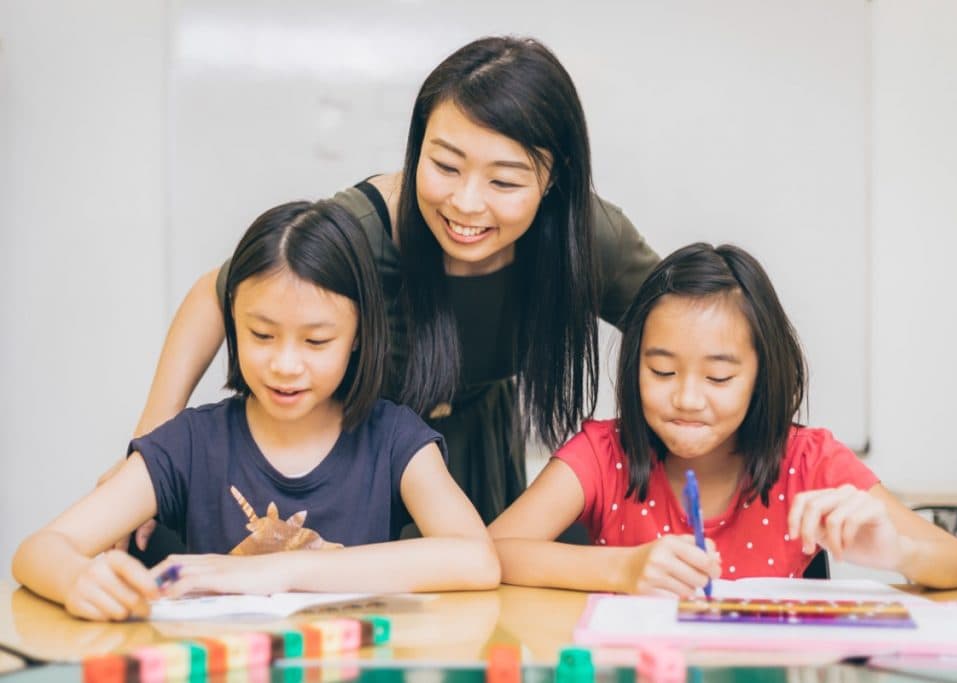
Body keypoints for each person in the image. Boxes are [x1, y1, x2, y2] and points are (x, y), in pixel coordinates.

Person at [126, 36, 660, 534]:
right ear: (417, 145)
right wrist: (147, 448)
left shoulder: (586, 238)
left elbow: (685, 321)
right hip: (362, 457)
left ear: (554, 176)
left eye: (503, 181)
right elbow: (213, 297)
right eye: (445, 166)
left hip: (478, 450)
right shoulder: (361, 230)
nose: (467, 203)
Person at [12, 201, 499, 622]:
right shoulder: (191, 443)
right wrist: (78, 578)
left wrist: (276, 570)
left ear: (358, 337)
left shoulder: (393, 439)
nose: (285, 365)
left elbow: (476, 560)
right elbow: (39, 550)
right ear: (231, 322)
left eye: (316, 340)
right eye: (261, 335)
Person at [489, 243, 957, 595]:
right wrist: (622, 568)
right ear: (634, 364)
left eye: (718, 379)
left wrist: (899, 553)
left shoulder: (808, 461)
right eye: (662, 370)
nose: (688, 399)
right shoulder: (604, 454)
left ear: (763, 373)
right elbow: (491, 554)